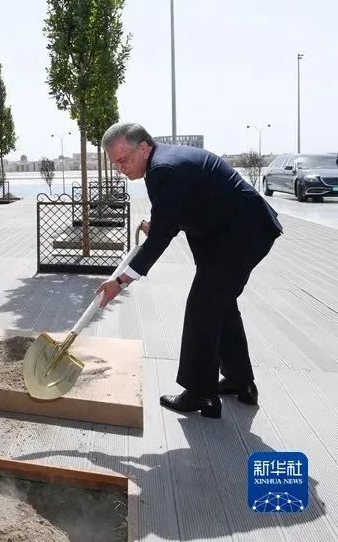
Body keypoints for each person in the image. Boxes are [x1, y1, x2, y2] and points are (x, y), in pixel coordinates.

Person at [95, 122, 282, 419]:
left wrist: (121, 280)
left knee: (203, 307)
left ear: (143, 148)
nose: (119, 168)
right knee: (219, 305)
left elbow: (160, 239)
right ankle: (240, 382)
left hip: (240, 236)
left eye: (123, 160)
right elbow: (177, 210)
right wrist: (159, 225)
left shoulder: (162, 170)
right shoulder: (162, 162)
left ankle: (200, 394)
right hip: (237, 233)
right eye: (115, 163)